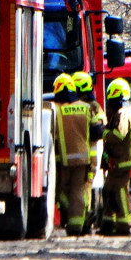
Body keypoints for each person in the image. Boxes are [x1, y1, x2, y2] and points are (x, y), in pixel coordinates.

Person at [51, 73, 93, 236]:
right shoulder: (86, 107)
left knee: (60, 190)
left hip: (61, 160)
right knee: (78, 191)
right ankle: (76, 225)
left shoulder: (56, 110)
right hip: (83, 159)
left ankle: (69, 217)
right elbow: (96, 131)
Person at [100, 78, 131, 236]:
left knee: (120, 191)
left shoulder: (124, 113)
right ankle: (108, 223)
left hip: (123, 159)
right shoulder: (124, 111)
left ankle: (124, 224)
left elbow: (119, 134)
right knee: (110, 189)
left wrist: (102, 133)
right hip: (119, 159)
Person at [71, 71, 105, 232]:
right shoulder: (85, 105)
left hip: (89, 156)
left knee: (85, 187)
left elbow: (99, 129)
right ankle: (84, 219)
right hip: (84, 154)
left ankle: (86, 221)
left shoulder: (93, 106)